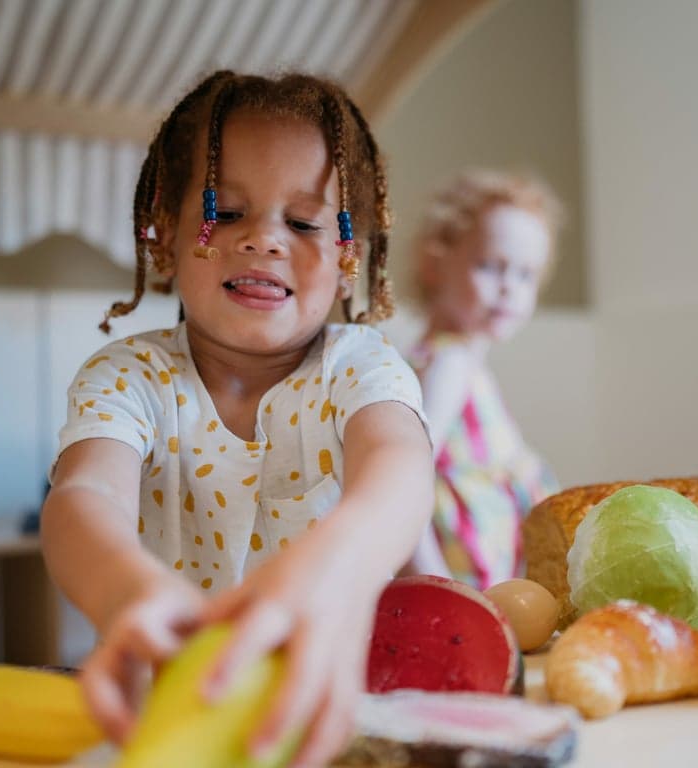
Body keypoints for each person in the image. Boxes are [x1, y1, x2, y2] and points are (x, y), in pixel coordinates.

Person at [40, 71, 433, 767]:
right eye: (226, 210)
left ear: (348, 256)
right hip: (173, 722)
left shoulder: (362, 367)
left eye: (305, 221)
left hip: (328, 720)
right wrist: (130, 592)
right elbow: (83, 498)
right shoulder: (127, 377)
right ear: (163, 227)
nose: (264, 240)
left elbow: (400, 470)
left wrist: (339, 563)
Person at [404, 169, 562, 590]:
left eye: (526, 274)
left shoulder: (464, 364)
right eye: (492, 266)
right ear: (435, 264)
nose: (510, 288)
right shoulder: (448, 364)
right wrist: (433, 579)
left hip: (485, 588)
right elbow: (404, 476)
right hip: (458, 587)